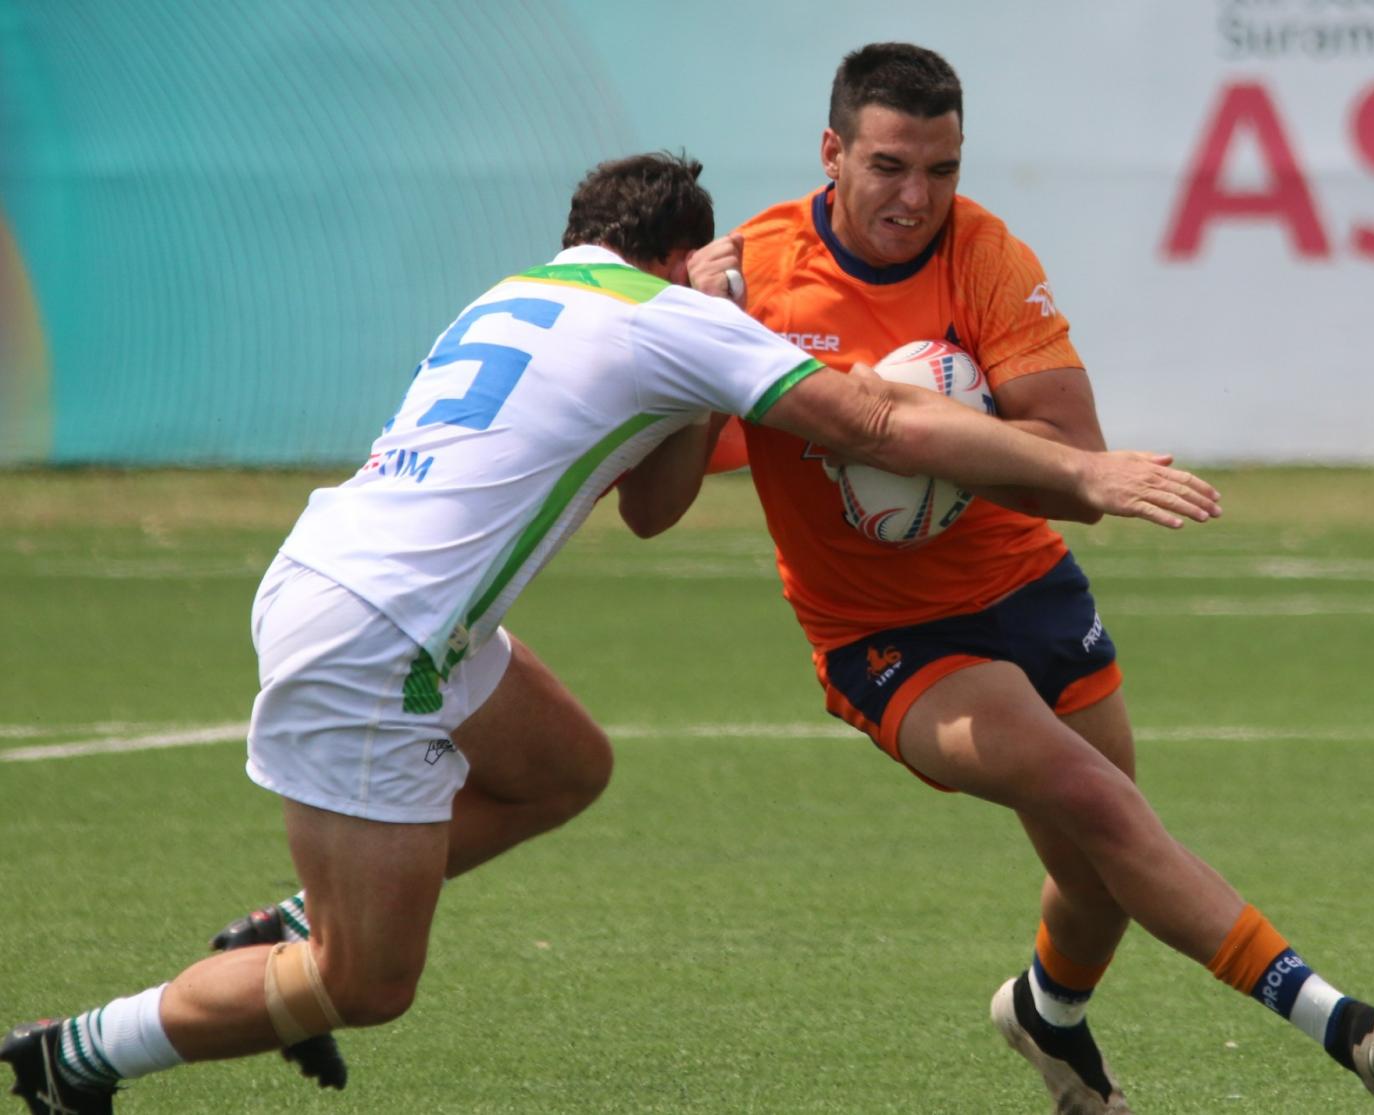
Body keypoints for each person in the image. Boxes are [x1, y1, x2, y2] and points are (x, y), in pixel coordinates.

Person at [0, 152, 1220, 1114]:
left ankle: (300, 919)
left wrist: (699, 355)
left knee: (566, 766)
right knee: (365, 985)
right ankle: (80, 1052)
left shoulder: (519, 287)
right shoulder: (665, 315)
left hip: (341, 579)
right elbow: (878, 426)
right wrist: (1087, 474)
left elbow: (648, 505)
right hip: (382, 644)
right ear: (685, 256)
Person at [682, 42, 1374, 1114]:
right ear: (832, 152)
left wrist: (920, 427)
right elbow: (678, 468)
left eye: (941, 169)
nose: (918, 196)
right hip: (888, 636)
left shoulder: (987, 253)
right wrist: (740, 356)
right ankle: (1345, 1023)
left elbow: (1070, 451)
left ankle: (1048, 1015)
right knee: (1100, 803)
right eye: (892, 165)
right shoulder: (753, 276)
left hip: (1028, 586)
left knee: (1097, 874)